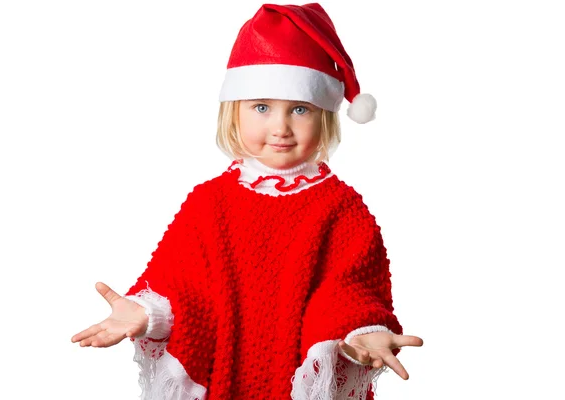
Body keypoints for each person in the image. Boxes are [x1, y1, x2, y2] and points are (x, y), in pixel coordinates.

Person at [71, 3, 423, 399]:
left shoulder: (341, 208)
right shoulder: (209, 202)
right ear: (234, 112)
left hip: (292, 377)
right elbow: (183, 284)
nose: (280, 128)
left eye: (300, 109)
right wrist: (145, 311)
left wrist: (362, 331)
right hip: (223, 377)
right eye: (261, 107)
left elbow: (348, 290)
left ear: (325, 116)